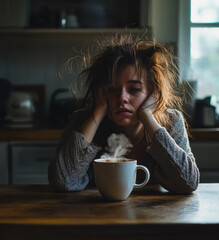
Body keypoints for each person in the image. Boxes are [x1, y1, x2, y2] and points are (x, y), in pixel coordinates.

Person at [48, 33, 199, 194]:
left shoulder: (170, 121)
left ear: (152, 92)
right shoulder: (82, 122)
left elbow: (188, 182)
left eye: (134, 89)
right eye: (111, 89)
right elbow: (62, 181)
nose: (122, 99)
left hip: (154, 215)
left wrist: (147, 115)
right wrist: (97, 113)